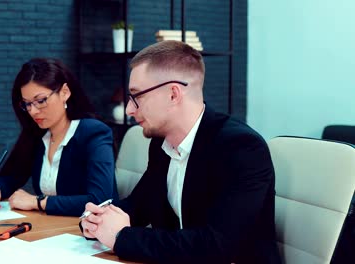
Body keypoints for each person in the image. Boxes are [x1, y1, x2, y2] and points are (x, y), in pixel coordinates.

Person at [81, 41, 281, 263]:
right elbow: (139, 204)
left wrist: (121, 237)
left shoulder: (241, 147)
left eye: (137, 96)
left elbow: (216, 246)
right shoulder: (160, 143)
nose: (129, 109)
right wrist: (98, 218)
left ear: (173, 94)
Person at [0, 58, 118, 216]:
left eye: (40, 101)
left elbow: (100, 201)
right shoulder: (38, 134)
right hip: (49, 228)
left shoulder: (94, 133)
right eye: (27, 104)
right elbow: (13, 176)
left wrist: (37, 202)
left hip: (89, 233)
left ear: (64, 92)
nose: (33, 111)